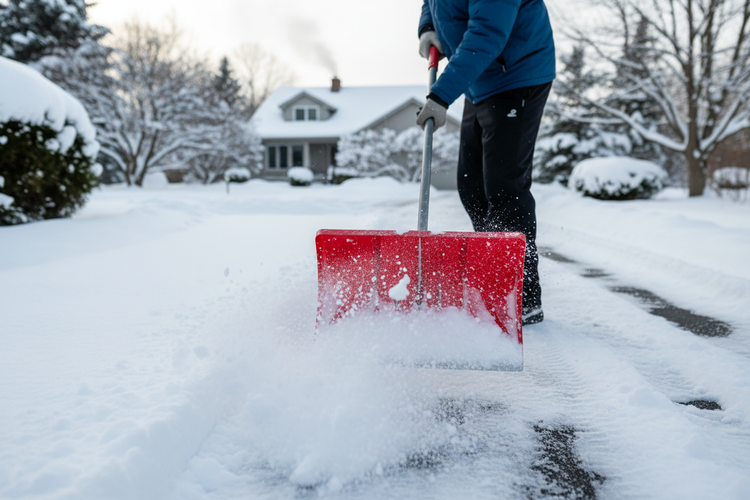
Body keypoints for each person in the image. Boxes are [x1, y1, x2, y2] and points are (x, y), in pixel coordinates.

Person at [415, 0, 556, 325]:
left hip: (516, 74)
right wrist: (428, 27)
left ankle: (521, 296)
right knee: (472, 187)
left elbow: (487, 34)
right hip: (480, 80)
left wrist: (440, 95)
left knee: (504, 188)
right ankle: (495, 277)